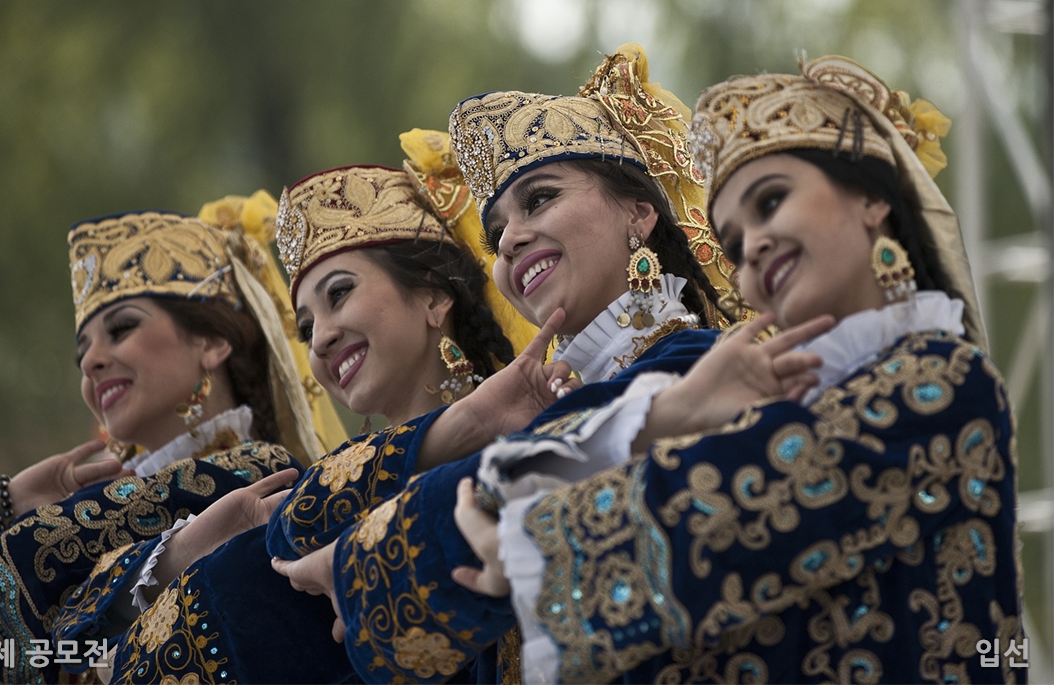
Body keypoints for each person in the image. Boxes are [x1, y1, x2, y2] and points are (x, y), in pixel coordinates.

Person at [459, 55, 1024, 683]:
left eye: (772, 201)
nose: (753, 245)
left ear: (870, 197)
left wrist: (529, 544)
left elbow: (730, 508)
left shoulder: (944, 380)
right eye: (733, 243)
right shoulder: (791, 395)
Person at [273, 44, 738, 682]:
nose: (512, 238)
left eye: (539, 199)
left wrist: (365, 558)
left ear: (639, 212)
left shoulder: (697, 363)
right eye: (495, 235)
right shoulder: (559, 405)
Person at [92, 148, 571, 684]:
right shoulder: (332, 494)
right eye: (304, 328)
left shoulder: (534, 439)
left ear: (434, 297)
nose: (320, 338)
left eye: (339, 294)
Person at [0, 199, 341, 683]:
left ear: (211, 343)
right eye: (81, 353)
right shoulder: (110, 498)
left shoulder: (258, 476)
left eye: (122, 328)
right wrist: (7, 504)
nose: (90, 363)